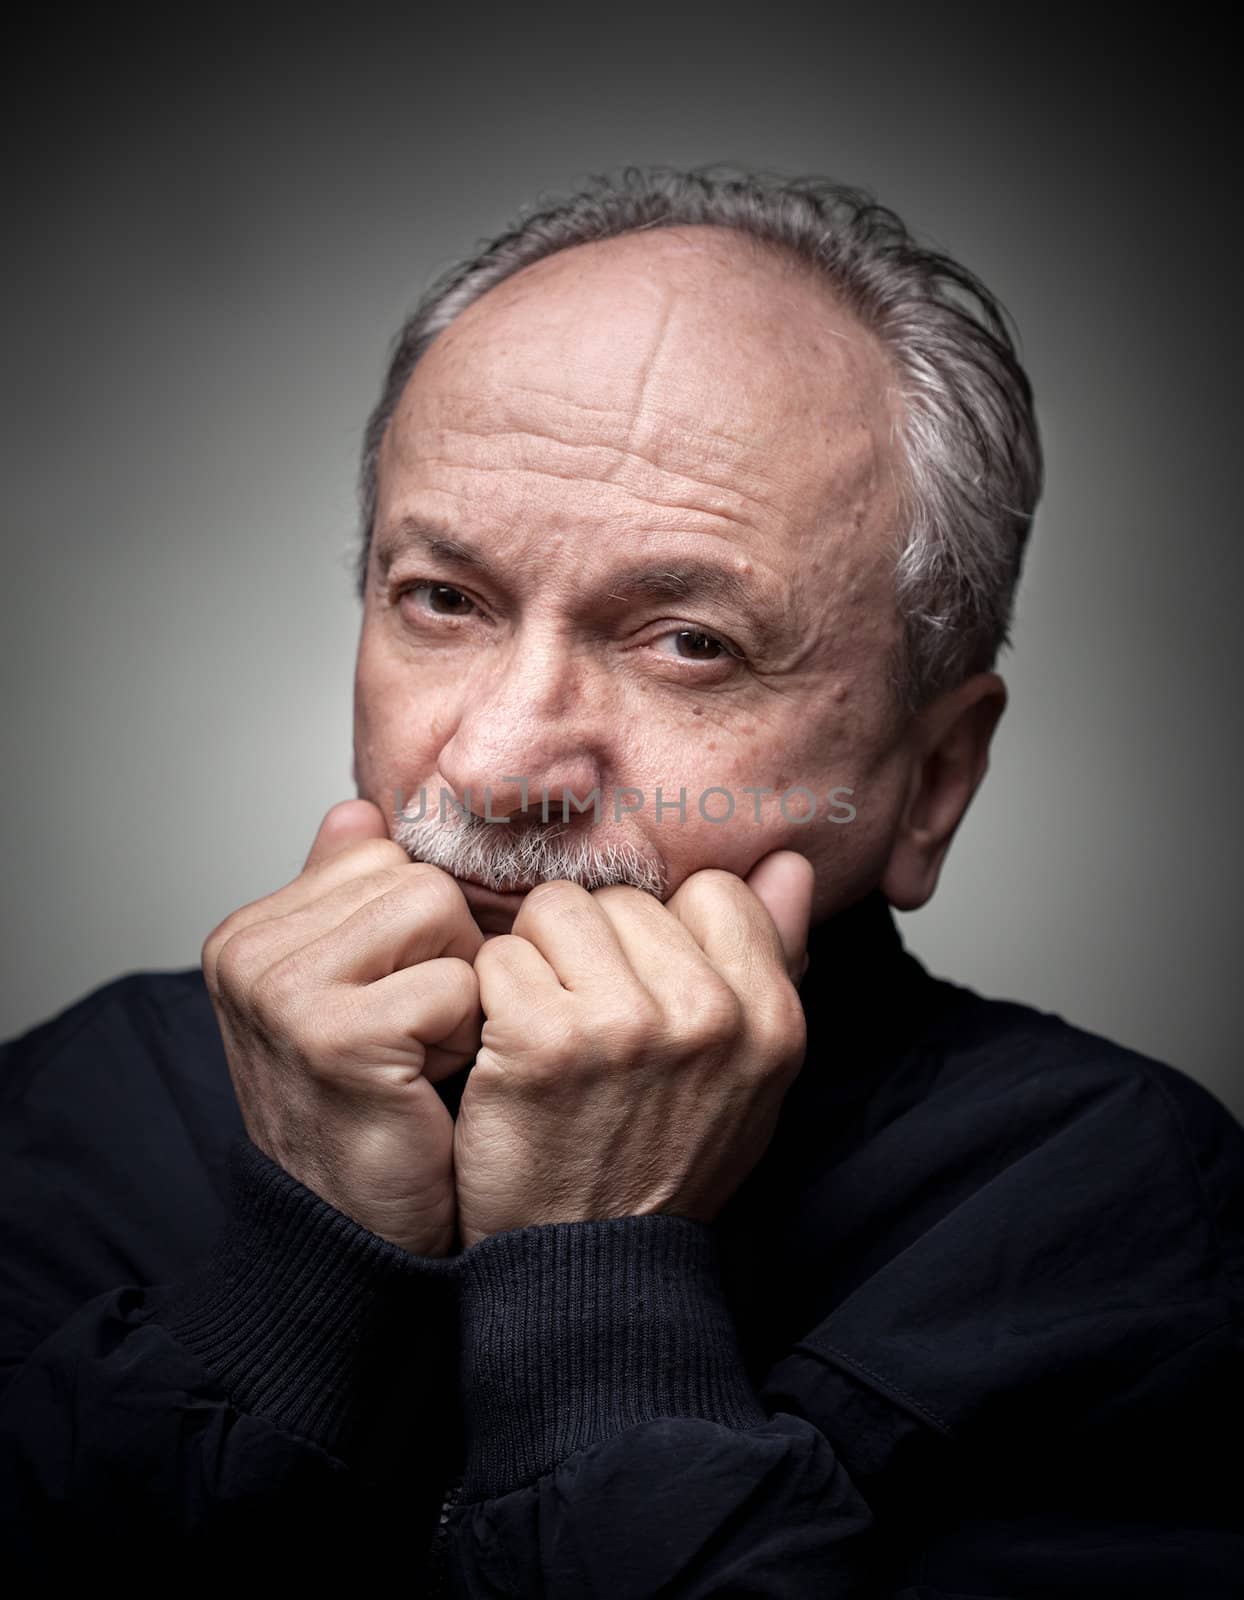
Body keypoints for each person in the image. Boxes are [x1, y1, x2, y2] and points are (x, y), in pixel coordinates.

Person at [2, 166, 1240, 1592]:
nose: (496, 763)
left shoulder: (1125, 1220)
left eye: (688, 643)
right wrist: (301, 1268)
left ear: (932, 780)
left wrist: (600, 1289)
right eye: (443, 601)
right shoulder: (73, 1111)